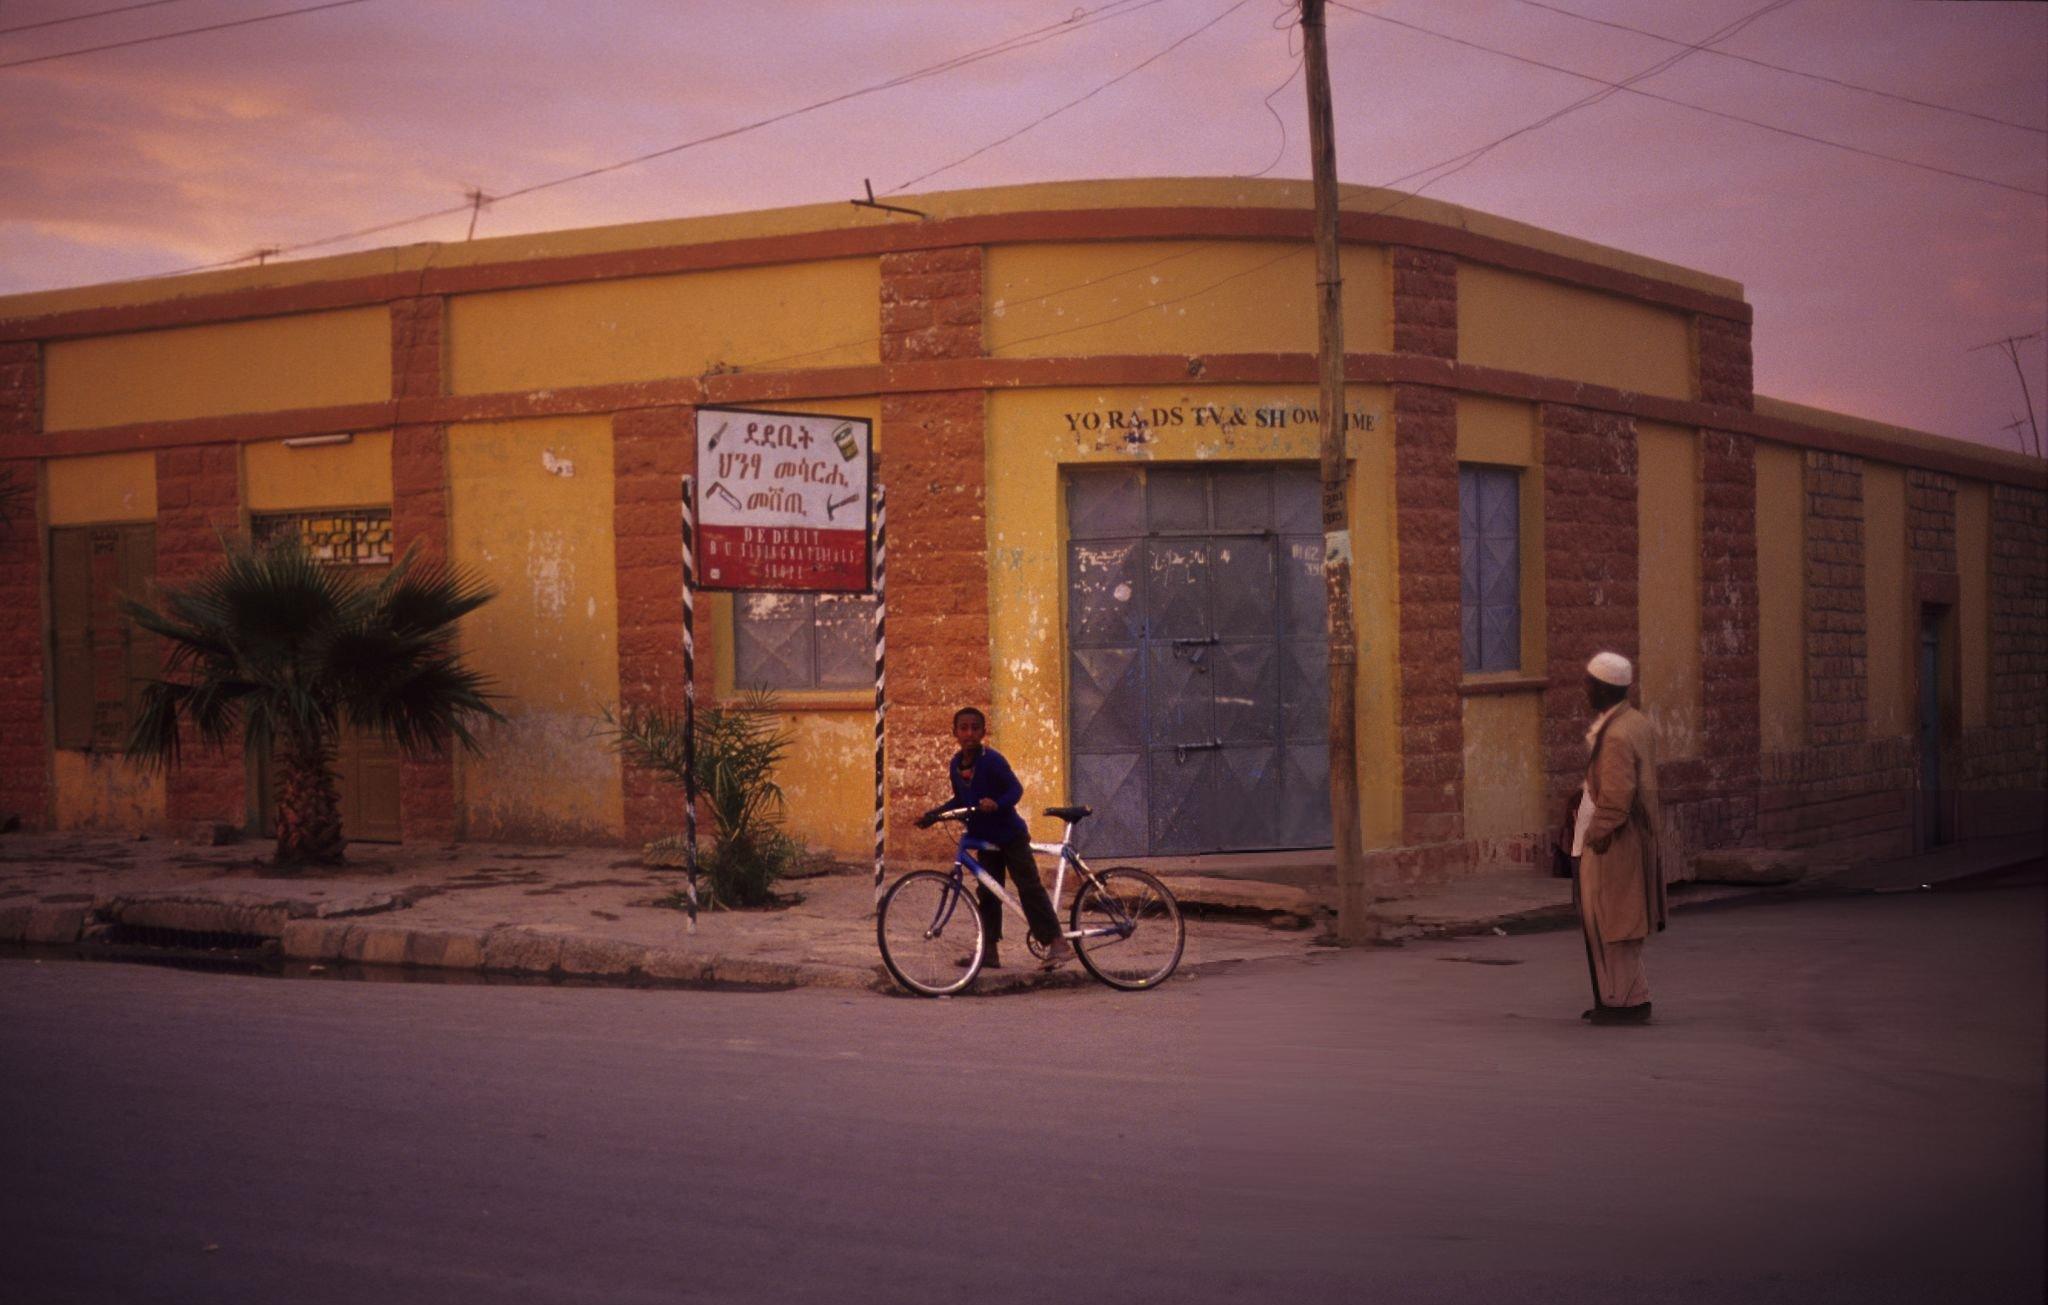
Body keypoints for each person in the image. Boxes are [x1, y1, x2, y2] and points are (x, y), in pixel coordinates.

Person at [915, 706, 1073, 971]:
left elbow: (1015, 790)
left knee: (1028, 887)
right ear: (954, 733)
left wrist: (996, 804)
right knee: (988, 893)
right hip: (984, 838)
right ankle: (989, 952)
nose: (969, 733)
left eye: (975, 728)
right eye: (963, 728)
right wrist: (935, 815)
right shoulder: (956, 764)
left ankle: (1057, 943)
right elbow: (960, 799)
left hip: (1009, 835)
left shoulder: (993, 761)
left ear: (983, 732)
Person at [1572, 651, 1667, 1025]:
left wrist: (1596, 834)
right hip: (1627, 838)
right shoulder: (1633, 722)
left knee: (1610, 922)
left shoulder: (1616, 735)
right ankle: (1624, 996)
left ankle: (1621, 1001)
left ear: (1601, 688)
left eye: (1589, 685)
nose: (1585, 691)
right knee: (1620, 920)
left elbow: (1616, 797)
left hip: (1614, 842)